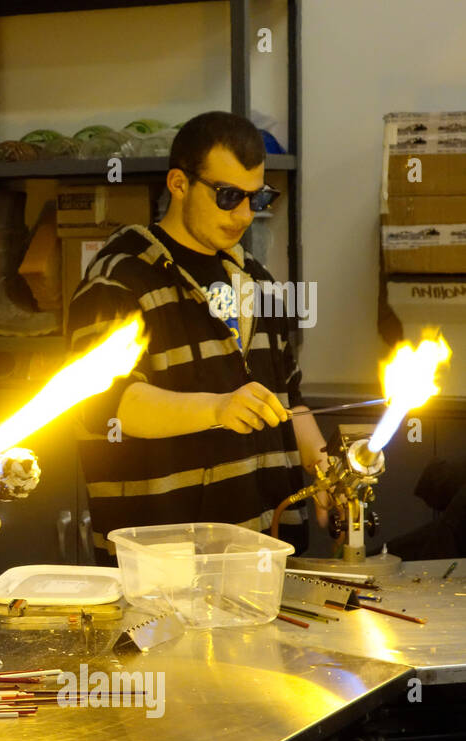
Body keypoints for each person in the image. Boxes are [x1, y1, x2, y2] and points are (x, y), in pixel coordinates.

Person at [66, 111, 328, 560]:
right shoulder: (121, 279)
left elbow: (290, 399)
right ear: (179, 183)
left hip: (263, 559)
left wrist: (325, 468)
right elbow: (108, 406)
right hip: (163, 568)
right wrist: (218, 407)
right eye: (228, 196)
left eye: (256, 197)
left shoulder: (259, 284)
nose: (245, 215)